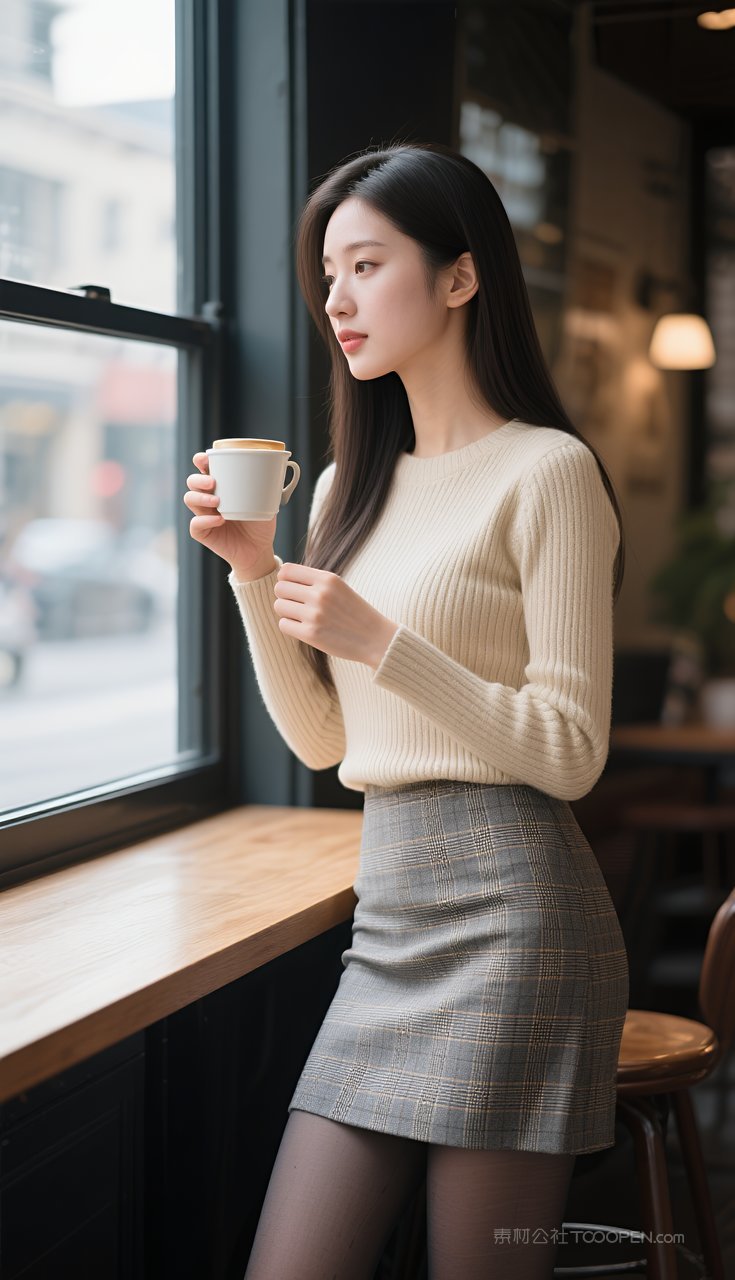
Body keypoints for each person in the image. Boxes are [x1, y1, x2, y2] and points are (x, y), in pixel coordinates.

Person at [184, 141, 629, 1280]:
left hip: (518, 920)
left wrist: (382, 636)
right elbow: (330, 743)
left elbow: (571, 751)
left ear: (460, 277)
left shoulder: (548, 471)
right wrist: (251, 569)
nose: (335, 298)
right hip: (390, 918)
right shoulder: (343, 486)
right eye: (326, 273)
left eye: (366, 264)